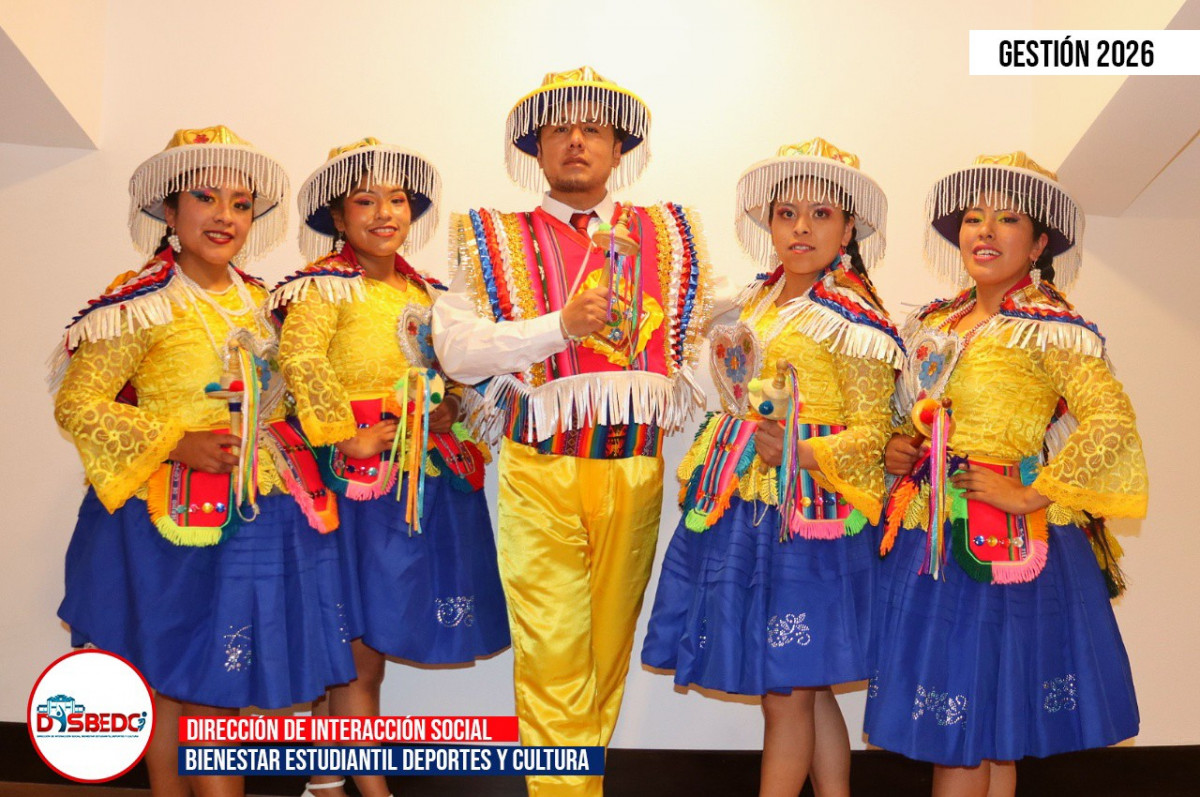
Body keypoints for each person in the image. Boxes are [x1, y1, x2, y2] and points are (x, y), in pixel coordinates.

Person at [432, 66, 719, 796]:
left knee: (607, 656)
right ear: (536, 149)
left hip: (636, 470)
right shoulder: (491, 237)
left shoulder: (670, 235)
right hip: (543, 470)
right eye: (560, 128)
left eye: (593, 128)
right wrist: (558, 327)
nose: (577, 141)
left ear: (619, 147)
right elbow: (457, 351)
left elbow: (711, 347)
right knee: (555, 652)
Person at [52, 126, 353, 797]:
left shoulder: (267, 303)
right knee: (163, 674)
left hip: (257, 515)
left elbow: (290, 397)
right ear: (169, 211)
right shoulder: (136, 305)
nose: (225, 216)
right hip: (164, 520)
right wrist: (179, 440)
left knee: (218, 677)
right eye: (206, 198)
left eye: (241, 204)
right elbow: (78, 403)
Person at [863, 152, 1148, 797]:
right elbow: (912, 414)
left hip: (1005, 539)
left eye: (1008, 219)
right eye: (973, 219)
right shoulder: (934, 323)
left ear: (1039, 242)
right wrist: (901, 448)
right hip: (931, 530)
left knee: (972, 732)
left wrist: (1029, 492)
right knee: (979, 728)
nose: (985, 232)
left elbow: (1110, 421)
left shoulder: (1054, 328)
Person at [641, 139, 903, 797]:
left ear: (849, 229)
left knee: (784, 687)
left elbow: (873, 434)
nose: (801, 227)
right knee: (803, 686)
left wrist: (800, 450)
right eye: (787, 213)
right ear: (769, 224)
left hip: (814, 520)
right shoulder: (755, 305)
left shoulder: (858, 318)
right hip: (751, 510)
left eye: (820, 214)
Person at [273, 138, 510, 797]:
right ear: (338, 216)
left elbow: (458, 372)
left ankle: (326, 771)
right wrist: (346, 434)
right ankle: (368, 782)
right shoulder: (320, 287)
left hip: (423, 476)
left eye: (397, 199)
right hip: (357, 484)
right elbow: (302, 361)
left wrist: (452, 411)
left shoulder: (433, 295)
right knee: (355, 632)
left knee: (377, 622)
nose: (384, 212)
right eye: (365, 200)